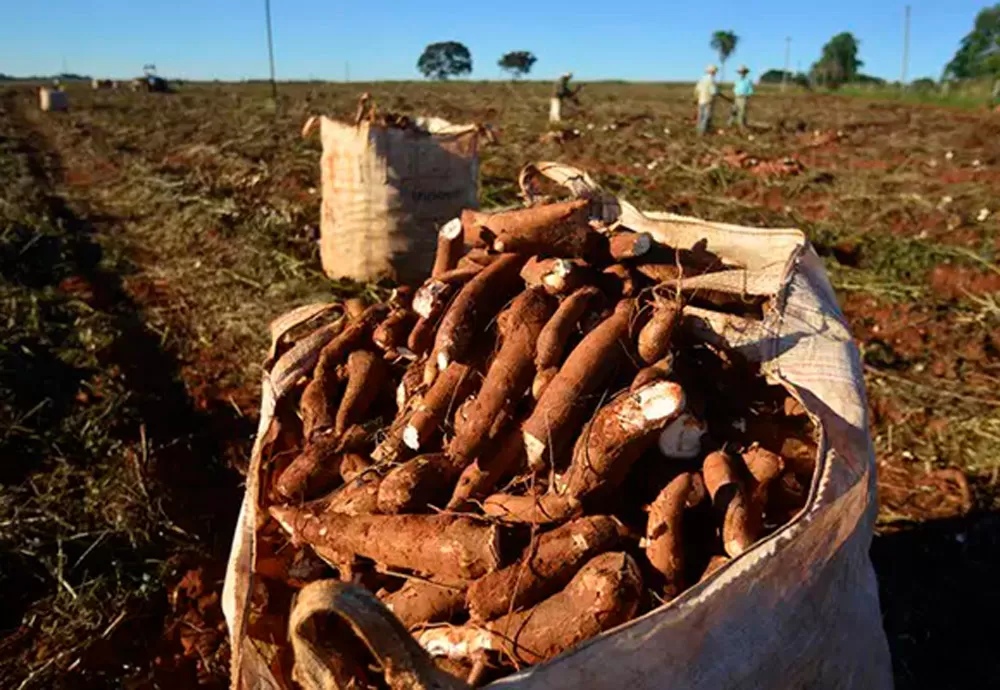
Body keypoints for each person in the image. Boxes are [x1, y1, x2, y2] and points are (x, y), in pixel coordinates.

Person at [694, 65, 719, 135]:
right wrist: (717, 92)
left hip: (701, 100)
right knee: (706, 117)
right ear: (713, 72)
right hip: (708, 100)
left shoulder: (702, 79)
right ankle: (703, 132)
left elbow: (697, 90)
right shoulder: (712, 80)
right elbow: (713, 92)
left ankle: (698, 131)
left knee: (700, 116)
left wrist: (696, 98)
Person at [729, 65, 754, 130]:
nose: (741, 73)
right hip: (737, 97)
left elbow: (750, 91)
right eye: (740, 72)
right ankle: (729, 125)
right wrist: (735, 94)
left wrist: (747, 96)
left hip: (743, 98)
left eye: (743, 72)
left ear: (745, 73)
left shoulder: (748, 81)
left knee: (741, 112)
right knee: (734, 111)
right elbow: (734, 89)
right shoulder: (737, 80)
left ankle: (741, 126)